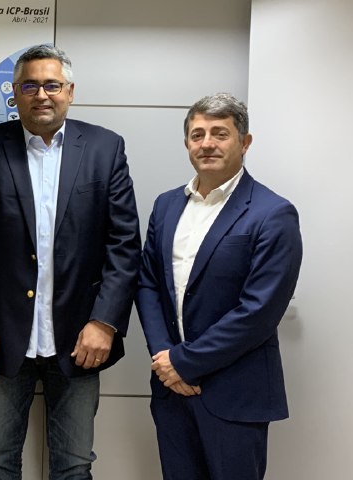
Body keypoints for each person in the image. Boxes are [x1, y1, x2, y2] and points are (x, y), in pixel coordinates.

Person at [0, 44, 141, 479]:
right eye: (30, 86)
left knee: (74, 465)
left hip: (81, 337)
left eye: (52, 85)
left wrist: (105, 322)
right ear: (15, 93)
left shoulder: (105, 148)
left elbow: (124, 244)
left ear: (70, 91)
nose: (41, 95)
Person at [135, 93, 303, 480]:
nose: (207, 143)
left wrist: (184, 362)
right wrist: (164, 357)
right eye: (198, 134)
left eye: (220, 133)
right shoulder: (166, 205)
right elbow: (148, 284)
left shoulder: (273, 213)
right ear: (187, 143)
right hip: (171, 391)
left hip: (235, 394)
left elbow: (259, 312)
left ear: (244, 142)